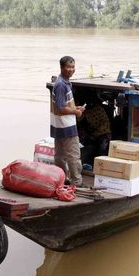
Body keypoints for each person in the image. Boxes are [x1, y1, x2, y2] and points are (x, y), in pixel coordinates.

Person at [50, 56, 87, 187]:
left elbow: (62, 105)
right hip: (67, 127)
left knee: (59, 155)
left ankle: (62, 180)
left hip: (58, 126)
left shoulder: (63, 82)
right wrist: (76, 112)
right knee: (73, 156)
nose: (71, 70)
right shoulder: (61, 85)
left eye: (73, 67)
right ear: (61, 67)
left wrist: (75, 108)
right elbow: (60, 108)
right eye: (68, 67)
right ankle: (77, 182)